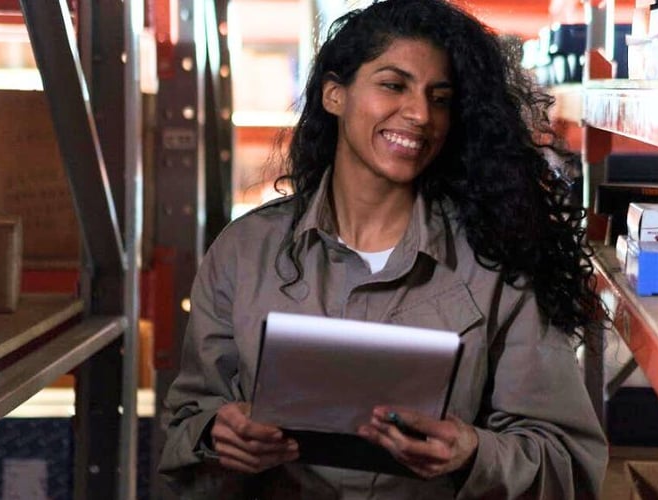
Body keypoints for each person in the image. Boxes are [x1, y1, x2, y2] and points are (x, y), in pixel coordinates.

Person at [158, 0, 608, 497]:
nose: (420, 114)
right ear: (334, 94)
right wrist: (215, 435)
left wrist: (473, 454)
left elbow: (567, 461)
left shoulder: (497, 263)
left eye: (440, 98)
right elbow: (183, 427)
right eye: (394, 85)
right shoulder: (244, 253)